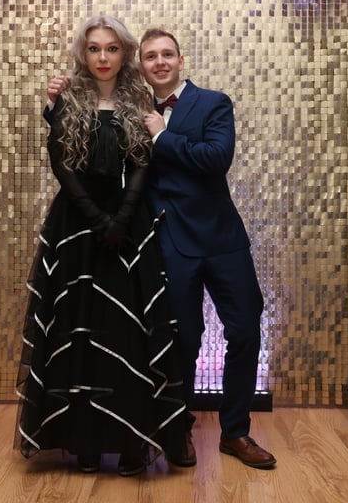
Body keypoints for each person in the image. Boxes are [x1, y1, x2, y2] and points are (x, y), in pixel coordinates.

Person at [15, 15, 186, 477]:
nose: (103, 57)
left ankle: (131, 443)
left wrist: (122, 219)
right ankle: (83, 441)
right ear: (83, 53)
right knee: (78, 330)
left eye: (111, 48)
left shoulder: (139, 97)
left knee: (126, 331)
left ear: (124, 52)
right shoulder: (67, 96)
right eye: (94, 48)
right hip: (77, 222)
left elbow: (144, 163)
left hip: (128, 226)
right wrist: (96, 218)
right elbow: (61, 163)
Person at [138, 28, 276, 470]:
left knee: (245, 330)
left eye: (167, 54)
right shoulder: (134, 110)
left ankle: (235, 432)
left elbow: (217, 158)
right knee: (183, 339)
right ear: (141, 66)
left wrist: (162, 137)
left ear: (181, 61)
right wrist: (55, 109)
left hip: (221, 239)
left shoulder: (213, 103)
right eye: (150, 56)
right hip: (170, 241)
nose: (160, 62)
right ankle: (178, 429)